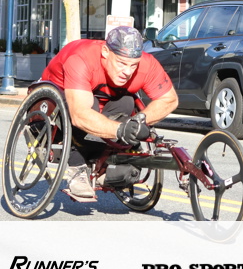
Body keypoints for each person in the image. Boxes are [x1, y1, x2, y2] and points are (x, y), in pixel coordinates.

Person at [38, 26, 179, 201]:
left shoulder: (147, 64)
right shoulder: (81, 58)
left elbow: (169, 100)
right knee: (91, 105)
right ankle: (77, 168)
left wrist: (138, 122)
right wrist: (120, 130)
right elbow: (80, 114)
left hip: (105, 102)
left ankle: (106, 164)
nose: (128, 72)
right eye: (121, 63)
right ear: (105, 52)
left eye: (133, 65)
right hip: (54, 104)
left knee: (127, 102)